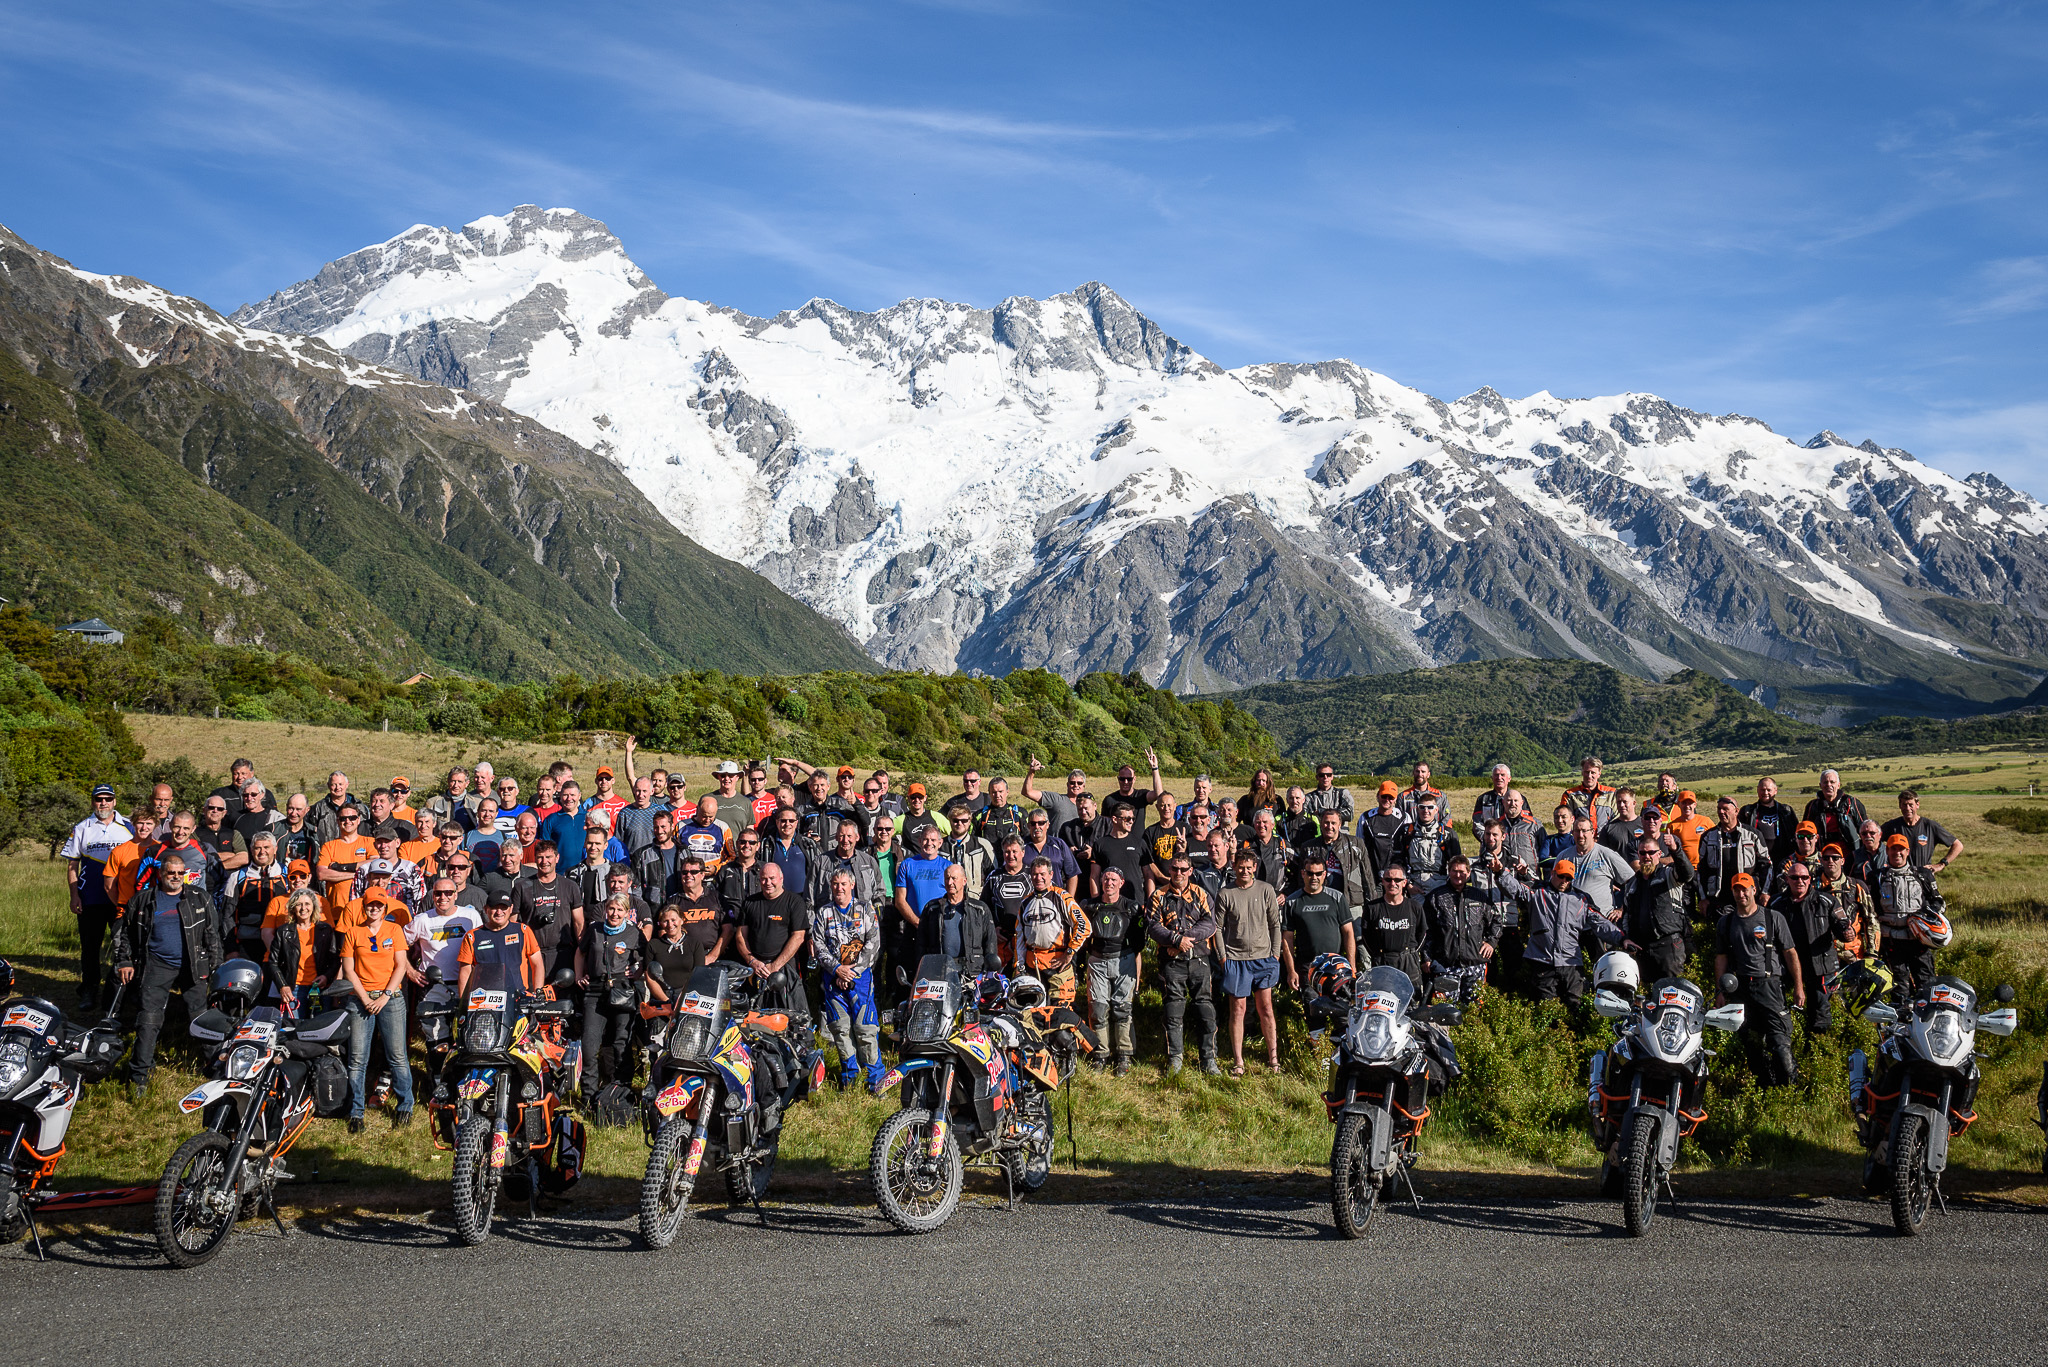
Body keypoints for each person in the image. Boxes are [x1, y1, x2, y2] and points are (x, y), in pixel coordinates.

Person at [113, 853, 223, 1097]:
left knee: (202, 1018)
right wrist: (124, 961)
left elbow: (212, 935)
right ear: (160, 874)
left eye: (180, 873)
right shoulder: (142, 900)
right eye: (170, 872)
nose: (175, 877)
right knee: (148, 1019)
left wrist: (216, 968)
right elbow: (126, 935)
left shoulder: (200, 897)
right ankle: (140, 1075)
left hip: (193, 965)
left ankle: (217, 1067)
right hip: (156, 964)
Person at [340, 886, 422, 1131]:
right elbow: (348, 970)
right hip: (360, 999)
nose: (374, 908)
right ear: (363, 907)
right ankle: (356, 1112)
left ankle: (405, 1105)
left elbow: (400, 966)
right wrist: (365, 999)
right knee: (357, 1059)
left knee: (397, 1056)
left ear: (385, 908)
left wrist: (385, 996)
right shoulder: (353, 932)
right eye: (370, 904)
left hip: (391, 998)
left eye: (379, 905)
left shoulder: (394, 930)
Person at [1713, 873, 1804, 1087]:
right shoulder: (1726, 922)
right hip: (1741, 989)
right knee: (1751, 1045)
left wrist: (1798, 987)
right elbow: (1721, 958)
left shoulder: (1773, 917)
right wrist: (1720, 992)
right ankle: (1765, 1090)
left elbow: (1790, 953)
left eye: (1745, 889)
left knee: (1780, 1044)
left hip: (1770, 986)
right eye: (1737, 890)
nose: (1741, 894)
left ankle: (1790, 1091)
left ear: (1754, 890)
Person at [1496, 857, 1623, 1001]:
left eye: (1568, 878)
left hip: (1571, 963)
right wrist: (1500, 872)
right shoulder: (1537, 891)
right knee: (1545, 1006)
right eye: (1561, 876)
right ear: (1553, 873)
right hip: (1542, 962)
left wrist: (1622, 939)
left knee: (1575, 1004)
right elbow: (1515, 888)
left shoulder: (1581, 899)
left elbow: (1600, 923)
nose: (1564, 881)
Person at [810, 868, 884, 1091]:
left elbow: (874, 942)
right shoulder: (824, 912)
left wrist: (852, 971)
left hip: (860, 978)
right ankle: (850, 1079)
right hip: (833, 978)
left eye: (843, 884)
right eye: (835, 884)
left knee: (865, 1028)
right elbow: (818, 945)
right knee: (840, 1030)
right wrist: (837, 969)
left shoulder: (865, 908)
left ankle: (875, 1079)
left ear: (852, 885)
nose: (839, 888)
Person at [1147, 856, 1220, 1075]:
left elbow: (1209, 923)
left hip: (1199, 959)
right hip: (1170, 963)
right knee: (1173, 1009)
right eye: (1175, 869)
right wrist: (1175, 940)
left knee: (1205, 1009)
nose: (1178, 873)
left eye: (1183, 869)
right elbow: (1153, 926)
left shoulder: (1201, 893)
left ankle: (1208, 1058)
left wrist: (1183, 941)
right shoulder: (1158, 895)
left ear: (1190, 871)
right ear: (1169, 870)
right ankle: (1175, 1058)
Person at [63, 783, 133, 1011]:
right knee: (90, 948)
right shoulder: (82, 827)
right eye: (98, 799)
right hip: (90, 898)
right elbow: (72, 865)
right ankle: (89, 989)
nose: (103, 803)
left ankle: (121, 991)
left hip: (120, 898)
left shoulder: (129, 826)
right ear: (92, 801)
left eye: (107, 799)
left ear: (115, 801)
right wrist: (74, 896)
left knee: (122, 946)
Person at [575, 893, 646, 1107]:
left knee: (621, 1044)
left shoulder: (634, 932)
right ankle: (588, 1100)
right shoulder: (595, 929)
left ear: (626, 912)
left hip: (622, 990)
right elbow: (580, 952)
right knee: (589, 1046)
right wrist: (578, 975)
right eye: (611, 908)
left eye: (620, 909)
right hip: (595, 991)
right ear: (606, 909)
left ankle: (622, 1096)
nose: (615, 913)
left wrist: (638, 972)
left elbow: (646, 957)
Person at [1772, 861, 1849, 1033]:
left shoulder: (1826, 900)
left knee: (1821, 1016)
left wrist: (1846, 932)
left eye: (1804, 877)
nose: (1799, 881)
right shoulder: (1775, 903)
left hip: (1820, 965)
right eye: (1794, 877)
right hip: (1787, 965)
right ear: (1787, 879)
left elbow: (1842, 926)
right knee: (1782, 1012)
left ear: (1810, 879)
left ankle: (1819, 1045)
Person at [1868, 833, 1947, 1000]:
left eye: (1901, 849)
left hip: (1919, 940)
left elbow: (1938, 902)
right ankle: (1902, 1015)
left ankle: (1925, 1014)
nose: (1897, 853)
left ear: (1908, 851)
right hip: (1891, 941)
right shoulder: (1876, 877)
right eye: (1893, 849)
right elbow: (1871, 909)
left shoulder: (1922, 875)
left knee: (1927, 986)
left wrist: (1925, 917)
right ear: (1887, 851)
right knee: (1899, 989)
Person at [1083, 866, 1145, 1076]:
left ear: (1121, 883)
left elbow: (1139, 943)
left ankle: (1124, 1055)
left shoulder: (1132, 907)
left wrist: (1135, 970)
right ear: (1101, 882)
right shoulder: (1089, 906)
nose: (1109, 883)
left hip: (1123, 960)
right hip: (1097, 961)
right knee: (1097, 1009)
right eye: (1106, 879)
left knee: (1122, 1009)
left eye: (1113, 880)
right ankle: (1100, 1055)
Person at [732, 863, 810, 1015]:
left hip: (784, 970)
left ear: (781, 878)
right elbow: (740, 936)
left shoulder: (794, 901)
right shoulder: (750, 902)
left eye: (772, 878)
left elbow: (798, 937)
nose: (768, 883)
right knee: (754, 1018)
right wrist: (752, 961)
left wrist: (775, 966)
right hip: (756, 970)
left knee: (791, 1018)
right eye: (764, 879)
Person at [1013, 858, 1090, 1005]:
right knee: (1032, 1012)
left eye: (1042, 874)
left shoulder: (1063, 897)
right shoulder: (1025, 902)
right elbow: (1019, 937)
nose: (1038, 878)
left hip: (1058, 965)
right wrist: (1019, 966)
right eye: (1035, 874)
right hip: (1032, 967)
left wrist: (1069, 953)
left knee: (1061, 1011)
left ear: (1051, 874)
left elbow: (1084, 925)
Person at [1284, 855, 1357, 1002]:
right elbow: (1287, 939)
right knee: (1313, 1010)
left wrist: (1351, 966)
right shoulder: (1292, 901)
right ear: (1303, 873)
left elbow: (1349, 933)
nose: (1314, 878)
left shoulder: (1337, 898)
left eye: (1318, 873)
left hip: (1336, 966)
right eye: (1310, 873)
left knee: (1341, 1010)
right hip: (1308, 967)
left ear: (1324, 874)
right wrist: (1291, 971)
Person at [1620, 838, 1691, 981]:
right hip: (1641, 948)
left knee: (1671, 990)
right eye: (1642, 853)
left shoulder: (1669, 875)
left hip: (1668, 946)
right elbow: (1626, 915)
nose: (1646, 856)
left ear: (1659, 854)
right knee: (1645, 992)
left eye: (1651, 852)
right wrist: (1626, 938)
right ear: (1638, 855)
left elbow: (1687, 873)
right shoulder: (1632, 883)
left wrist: (1675, 850)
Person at [456, 890, 545, 1000]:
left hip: (518, 998)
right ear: (486, 909)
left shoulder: (523, 931)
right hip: (485, 1000)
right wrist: (464, 1002)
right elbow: (465, 972)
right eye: (494, 908)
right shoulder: (472, 936)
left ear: (511, 909)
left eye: (503, 908)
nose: (499, 912)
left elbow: (537, 964)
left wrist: (537, 993)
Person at [265, 888, 338, 1019]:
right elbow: (273, 962)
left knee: (319, 1029)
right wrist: (283, 986)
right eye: (299, 904)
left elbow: (334, 960)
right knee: (293, 1029)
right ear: (293, 908)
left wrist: (326, 976)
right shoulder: (283, 931)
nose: (303, 908)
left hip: (320, 988)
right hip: (294, 989)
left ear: (314, 907)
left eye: (307, 904)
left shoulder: (325, 929)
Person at [914, 864, 1001, 973]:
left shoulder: (980, 909)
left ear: (964, 881)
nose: (950, 882)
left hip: (973, 972)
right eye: (947, 878)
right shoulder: (932, 909)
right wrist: (921, 971)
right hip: (940, 971)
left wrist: (989, 972)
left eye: (954, 878)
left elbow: (990, 943)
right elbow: (921, 944)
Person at [517, 841, 584, 981]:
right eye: (540, 857)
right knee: (534, 994)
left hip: (562, 953)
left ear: (557, 858)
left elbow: (579, 923)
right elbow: (512, 924)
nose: (544, 861)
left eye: (548, 857)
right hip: (532, 954)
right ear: (535, 859)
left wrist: (582, 952)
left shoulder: (570, 886)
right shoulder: (521, 887)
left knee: (562, 994)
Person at [1696, 796, 1771, 916]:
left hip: (1747, 896)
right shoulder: (1708, 836)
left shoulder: (1753, 834)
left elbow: (1766, 865)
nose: (1721, 812)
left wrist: (1765, 892)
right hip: (1719, 898)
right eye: (1719, 809)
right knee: (1723, 927)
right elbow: (1701, 870)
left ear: (1736, 811)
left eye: (1725, 809)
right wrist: (1702, 898)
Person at [226, 831, 291, 963]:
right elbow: (227, 916)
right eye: (257, 848)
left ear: (275, 849)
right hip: (247, 942)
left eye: (266, 847)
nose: (262, 852)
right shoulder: (237, 877)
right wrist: (231, 948)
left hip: (281, 940)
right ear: (251, 850)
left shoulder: (288, 875)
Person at [1359, 863, 1427, 983]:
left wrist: (1412, 953)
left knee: (1412, 995)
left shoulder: (1414, 907)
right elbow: (1366, 936)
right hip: (1382, 962)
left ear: (1404, 882)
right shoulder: (1372, 908)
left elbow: (1422, 933)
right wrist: (1377, 955)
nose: (1392, 883)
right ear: (1383, 882)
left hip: (1408, 962)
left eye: (1397, 880)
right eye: (1388, 879)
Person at [1815, 843, 1878, 964]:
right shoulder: (1813, 888)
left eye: (1835, 858)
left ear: (1842, 861)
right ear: (1821, 861)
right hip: (1823, 952)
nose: (1830, 861)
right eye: (1826, 858)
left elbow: (1871, 920)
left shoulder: (1857, 886)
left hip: (1853, 952)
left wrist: (1872, 953)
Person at [1562, 817, 1633, 915]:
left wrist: (1622, 908)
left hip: (1601, 918)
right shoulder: (1564, 856)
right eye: (1577, 831)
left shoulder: (1607, 854)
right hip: (1571, 917)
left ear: (1592, 832)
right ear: (1572, 833)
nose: (1581, 835)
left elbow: (1632, 881)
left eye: (1584, 831)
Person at [1880, 790, 1964, 872]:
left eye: (1911, 805)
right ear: (1900, 806)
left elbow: (1958, 845)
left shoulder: (1930, 826)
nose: (1907, 808)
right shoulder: (1892, 826)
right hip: (1898, 876)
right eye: (1904, 805)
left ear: (1917, 805)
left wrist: (1941, 864)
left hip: (1923, 876)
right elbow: (1875, 840)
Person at [810, 817, 881, 911]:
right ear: (836, 837)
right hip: (828, 917)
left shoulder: (868, 862)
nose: (845, 840)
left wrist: (876, 914)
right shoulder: (820, 862)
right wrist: (812, 918)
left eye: (849, 836)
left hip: (861, 917)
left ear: (857, 837)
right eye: (842, 836)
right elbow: (809, 896)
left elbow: (879, 891)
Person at [317, 803, 373, 921]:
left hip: (365, 912)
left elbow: (373, 863)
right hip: (337, 912)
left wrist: (339, 868)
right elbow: (322, 874)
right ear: (338, 821)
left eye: (352, 818)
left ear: (358, 820)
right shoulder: (329, 846)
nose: (348, 821)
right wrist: (356, 874)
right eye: (343, 818)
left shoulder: (369, 842)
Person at [1357, 781, 1410, 898]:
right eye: (1384, 796)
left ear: (1396, 799)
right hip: (1371, 874)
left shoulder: (1404, 818)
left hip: (1396, 876)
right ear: (1378, 796)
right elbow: (1359, 845)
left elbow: (1409, 847)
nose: (1387, 800)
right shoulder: (1365, 818)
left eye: (1391, 798)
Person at [1399, 794, 1461, 891]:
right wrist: (1408, 885)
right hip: (1413, 885)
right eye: (1422, 807)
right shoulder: (1406, 832)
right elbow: (1398, 860)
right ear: (1417, 809)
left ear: (1436, 810)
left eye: (1430, 807)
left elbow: (1457, 864)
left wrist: (1449, 886)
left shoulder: (1447, 834)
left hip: (1440, 885)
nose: (1426, 811)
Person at [1019, 805, 1081, 895]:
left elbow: (1072, 874)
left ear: (1047, 825)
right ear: (1028, 826)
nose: (1037, 826)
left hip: (1055, 897)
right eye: (1033, 823)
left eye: (1041, 823)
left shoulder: (1059, 844)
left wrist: (1068, 899)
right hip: (1028, 898)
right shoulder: (1020, 845)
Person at [1739, 777, 1801, 867]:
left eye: (1769, 790)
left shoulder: (1786, 811)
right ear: (1757, 790)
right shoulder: (1748, 812)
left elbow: (1796, 834)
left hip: (1783, 860)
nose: (1765, 793)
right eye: (1762, 790)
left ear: (1775, 791)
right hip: (1756, 861)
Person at [634, 808, 683, 907]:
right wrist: (642, 910)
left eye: (663, 827)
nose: (659, 831)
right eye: (656, 827)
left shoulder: (684, 852)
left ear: (672, 827)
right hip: (654, 909)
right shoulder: (641, 854)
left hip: (680, 907)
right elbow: (636, 887)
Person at [1559, 755, 1616, 834]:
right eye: (1586, 772)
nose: (1589, 776)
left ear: (1599, 774)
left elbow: (1618, 819)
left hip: (1606, 839)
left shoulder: (1611, 794)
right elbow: (1565, 821)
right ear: (1582, 772)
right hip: (1579, 839)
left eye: (1593, 773)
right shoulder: (1570, 795)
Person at [1107, 749, 1164, 824]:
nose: (1126, 782)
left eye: (1129, 779)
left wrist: (1154, 768)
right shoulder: (1109, 800)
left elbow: (1159, 794)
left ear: (1134, 779)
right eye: (1122, 779)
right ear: (1118, 779)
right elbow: (1104, 825)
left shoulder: (1141, 796)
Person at [1398, 763, 1450, 839]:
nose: (1420, 774)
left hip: (1435, 840)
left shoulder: (1440, 796)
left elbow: (1447, 819)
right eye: (1417, 771)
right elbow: (1398, 821)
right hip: (1410, 839)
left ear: (1428, 774)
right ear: (1413, 773)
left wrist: (1442, 836)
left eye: (1423, 772)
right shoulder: (1403, 797)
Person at [422, 767, 480, 833]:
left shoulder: (477, 803)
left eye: (460, 782)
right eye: (453, 781)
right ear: (448, 781)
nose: (456, 785)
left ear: (467, 783)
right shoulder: (432, 803)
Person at [1665, 791, 1713, 868]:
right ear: (1679, 804)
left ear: (1695, 805)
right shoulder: (1672, 826)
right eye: (1684, 803)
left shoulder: (1706, 821)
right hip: (1684, 868)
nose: (1687, 806)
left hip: (1704, 867)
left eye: (1690, 803)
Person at [1304, 763, 1355, 828]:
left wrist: (1322, 812)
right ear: (1317, 777)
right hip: (1317, 832)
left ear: (1332, 777)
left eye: (1328, 775)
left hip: (1341, 832)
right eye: (1322, 775)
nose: (1325, 777)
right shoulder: (1308, 798)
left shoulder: (1342, 794)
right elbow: (1303, 817)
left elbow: (1350, 814)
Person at [1471, 764, 1515, 830]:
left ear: (1509, 778)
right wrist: (1488, 835)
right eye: (1496, 775)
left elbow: (1526, 823)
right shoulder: (1483, 799)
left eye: (1502, 775)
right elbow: (1477, 823)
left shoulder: (1518, 798)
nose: (1499, 778)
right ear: (1492, 778)